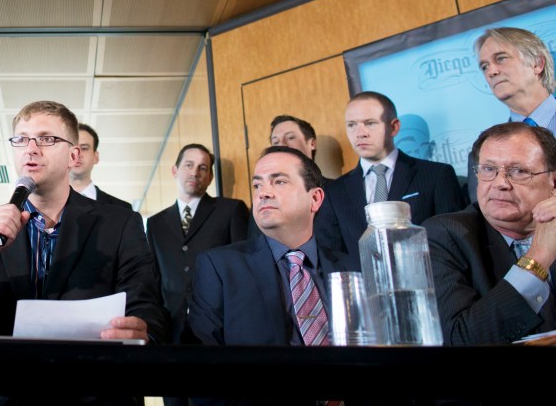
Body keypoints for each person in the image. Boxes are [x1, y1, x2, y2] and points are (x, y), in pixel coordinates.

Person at [0, 100, 169, 403]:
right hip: (0, 397)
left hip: (93, 394)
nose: (31, 149)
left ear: (74, 156)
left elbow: (148, 310)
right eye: (21, 139)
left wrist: (143, 331)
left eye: (47, 139)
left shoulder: (120, 224)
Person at [190, 146, 354, 346]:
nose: (263, 193)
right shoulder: (219, 268)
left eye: (279, 182)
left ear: (315, 198)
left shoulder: (353, 268)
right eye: (257, 185)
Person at [424, 122, 556, 345]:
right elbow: (460, 340)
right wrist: (539, 257)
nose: (500, 183)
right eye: (488, 169)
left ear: (553, 182)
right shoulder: (443, 236)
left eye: (518, 171)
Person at [315, 91, 466, 258]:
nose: (360, 133)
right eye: (352, 125)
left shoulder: (437, 175)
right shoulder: (334, 192)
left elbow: (452, 242)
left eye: (370, 123)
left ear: (394, 127)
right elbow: (333, 256)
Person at [146, 143, 249, 345]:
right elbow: (155, 278)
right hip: (170, 331)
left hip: (220, 327)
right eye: (189, 165)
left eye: (203, 168)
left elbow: (243, 271)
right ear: (175, 170)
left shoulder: (231, 210)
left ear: (210, 177)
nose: (195, 172)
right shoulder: (155, 223)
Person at [471, 26, 556, 198]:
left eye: (501, 58)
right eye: (485, 66)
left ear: (537, 63)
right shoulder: (487, 150)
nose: (492, 72)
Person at [70, 122, 132, 209]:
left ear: (96, 157)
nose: (78, 154)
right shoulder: (44, 205)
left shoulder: (123, 208)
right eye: (73, 148)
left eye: (84, 148)